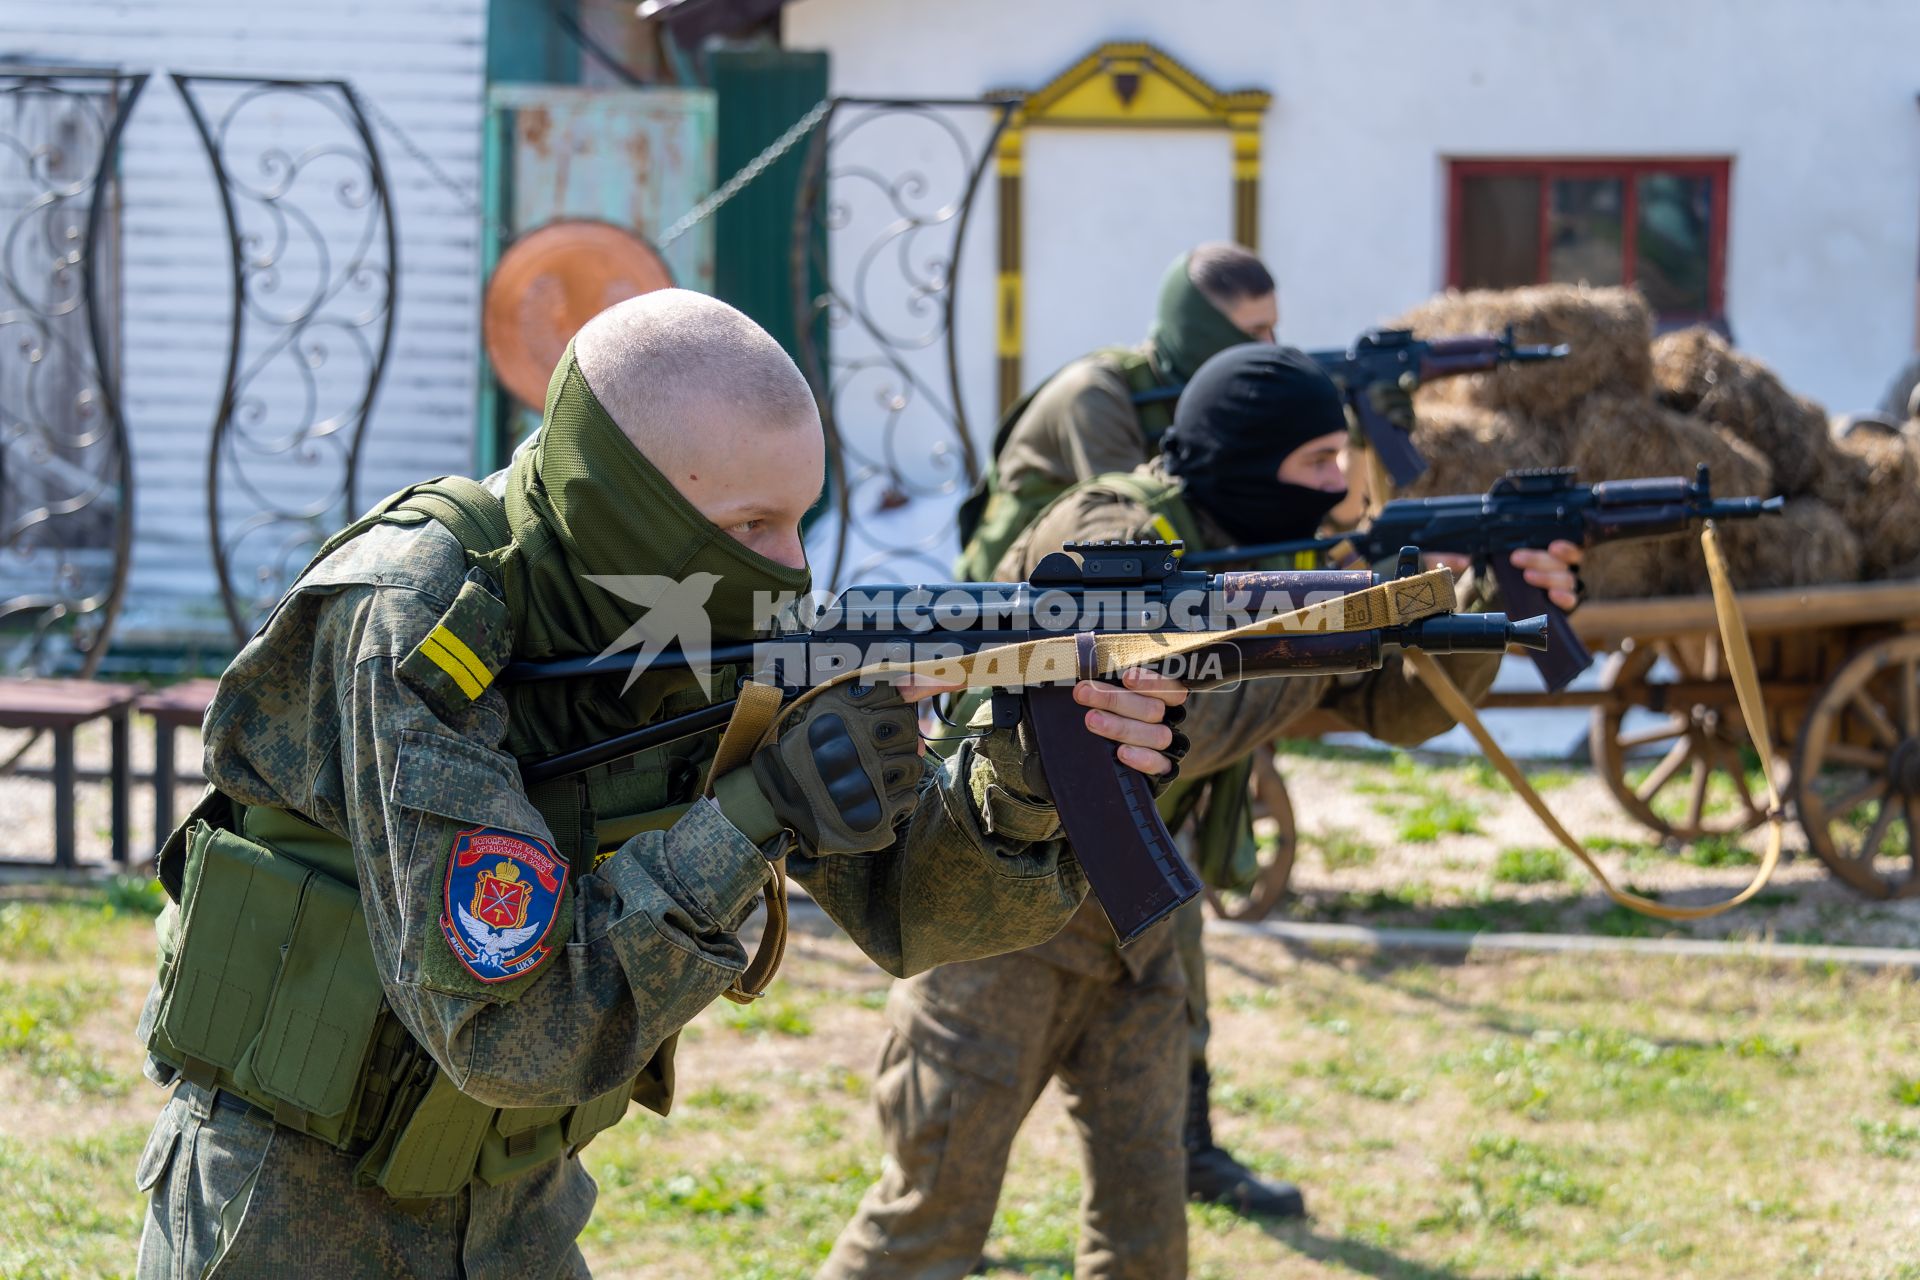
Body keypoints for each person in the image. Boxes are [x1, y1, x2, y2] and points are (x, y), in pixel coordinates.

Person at [131, 290, 1190, 1279]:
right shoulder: (414, 615)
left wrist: (1023, 776)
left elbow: (909, 906)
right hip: (292, 1203)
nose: (791, 570)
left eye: (800, 521)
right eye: (750, 528)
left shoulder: (695, 605)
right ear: (632, 506)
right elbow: (508, 1031)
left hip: (516, 1202)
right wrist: (753, 813)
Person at [817, 344, 1583, 1279]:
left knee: (1147, 1239)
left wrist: (1471, 604)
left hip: (1142, 932)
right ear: (1244, 459)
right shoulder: (1106, 526)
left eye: (1343, 459)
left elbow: (1392, 710)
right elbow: (1170, 711)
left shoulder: (1279, 555)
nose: (1343, 489)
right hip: (1002, 921)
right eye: (1318, 464)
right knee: (927, 1225)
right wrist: (1322, 624)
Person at [954, 242, 1277, 580]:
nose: (1269, 346)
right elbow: (1134, 516)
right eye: (1254, 332)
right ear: (1199, 328)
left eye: (1272, 328)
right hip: (1009, 595)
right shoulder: (1094, 394)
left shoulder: (1198, 390)